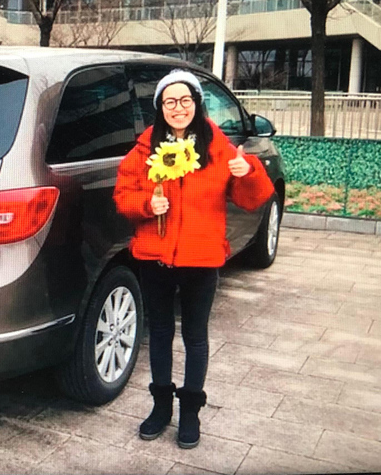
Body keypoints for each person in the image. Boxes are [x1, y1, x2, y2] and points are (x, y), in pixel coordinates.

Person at [113, 69, 274, 449]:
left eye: (186, 100)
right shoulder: (143, 149)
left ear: (197, 104)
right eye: (170, 101)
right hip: (155, 257)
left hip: (201, 259)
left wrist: (247, 171)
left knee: (195, 337)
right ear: (160, 108)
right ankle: (161, 407)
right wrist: (147, 205)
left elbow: (253, 199)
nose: (178, 108)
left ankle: (190, 412)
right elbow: (123, 197)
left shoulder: (219, 149)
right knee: (161, 335)